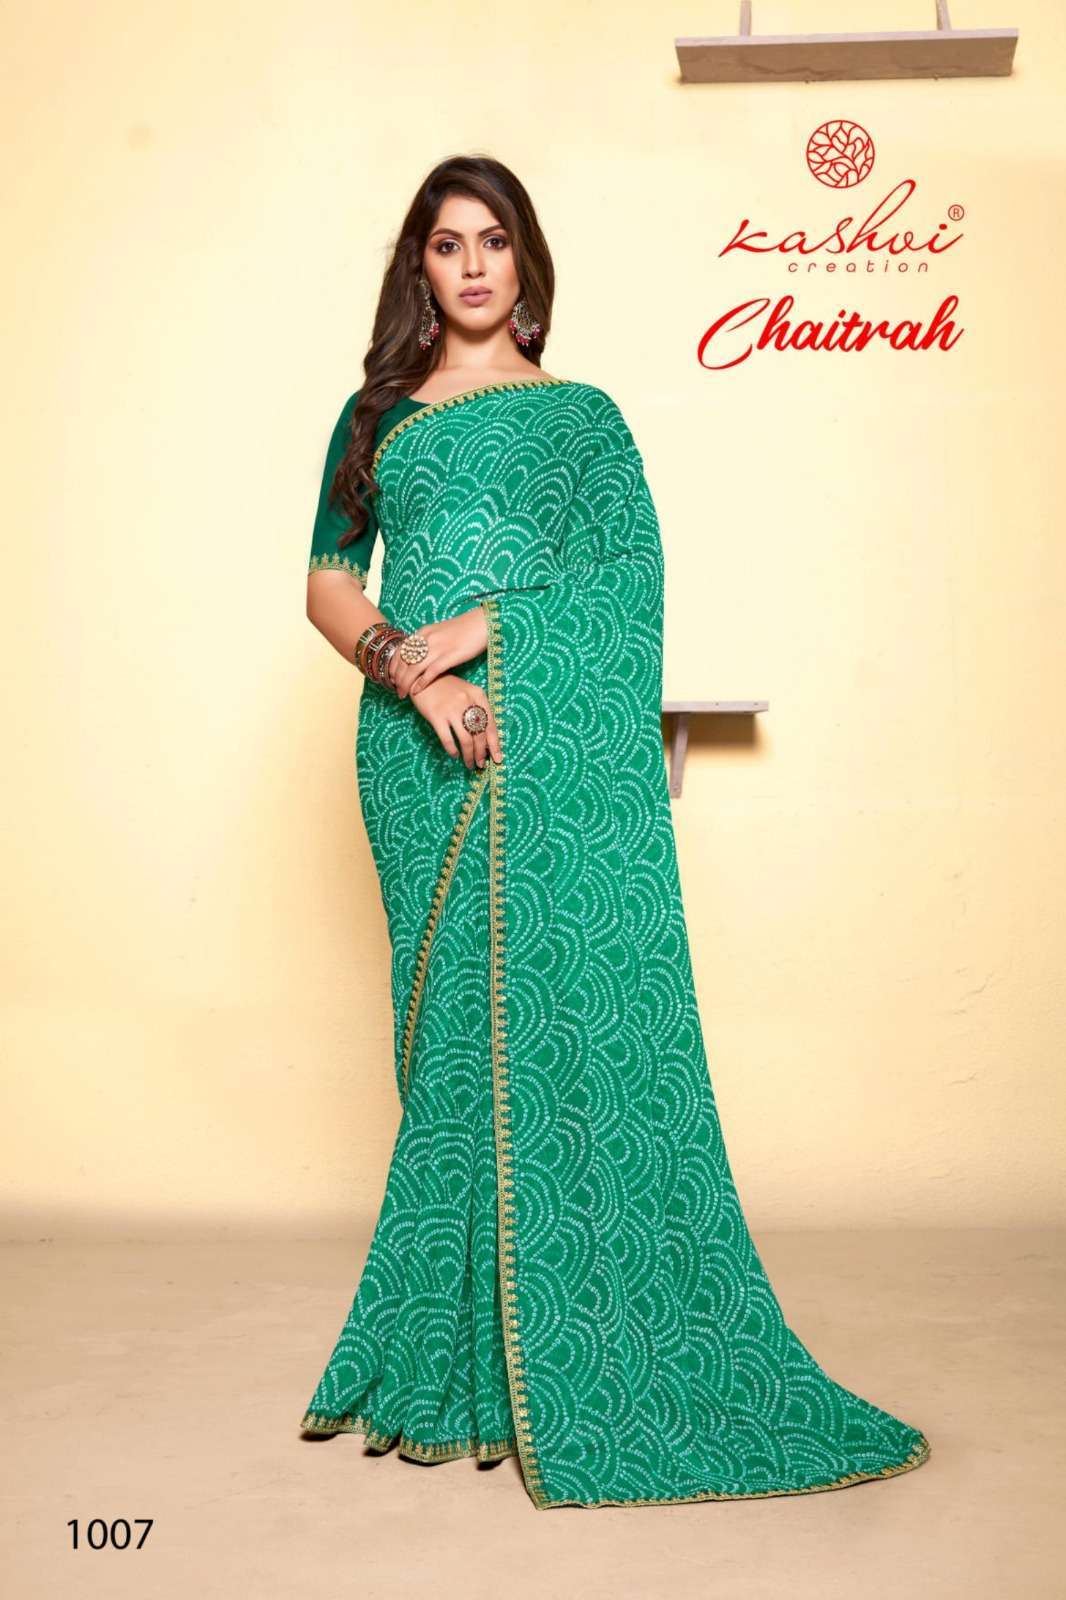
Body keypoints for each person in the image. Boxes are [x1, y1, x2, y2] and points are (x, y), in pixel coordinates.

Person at [298, 154, 931, 1511]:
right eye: (447, 244)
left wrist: (492, 633)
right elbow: (328, 582)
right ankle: (446, 1365)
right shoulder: (376, 414)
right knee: (449, 1052)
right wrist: (418, 672)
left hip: (538, 745)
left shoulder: (583, 421)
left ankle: (511, 1372)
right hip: (413, 756)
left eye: (495, 241)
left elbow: (630, 584)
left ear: (526, 262)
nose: (473, 265)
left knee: (527, 1037)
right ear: (419, 267)